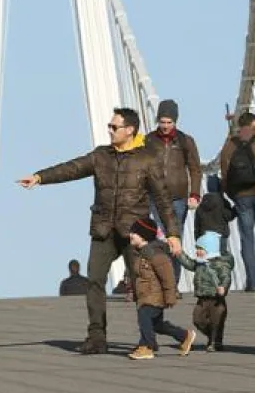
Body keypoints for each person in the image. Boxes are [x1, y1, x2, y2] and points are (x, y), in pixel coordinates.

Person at [17, 107, 182, 355]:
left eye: (114, 127)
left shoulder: (146, 160)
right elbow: (71, 168)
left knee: (141, 285)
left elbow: (163, 199)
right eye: (109, 126)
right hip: (103, 228)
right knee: (94, 281)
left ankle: (146, 339)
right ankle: (96, 337)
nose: (110, 130)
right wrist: (40, 177)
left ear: (130, 130)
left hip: (133, 232)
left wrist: (173, 234)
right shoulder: (100, 156)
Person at [144, 99, 202, 292]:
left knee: (174, 240)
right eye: (162, 121)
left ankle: (172, 285)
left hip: (178, 198)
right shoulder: (148, 141)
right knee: (159, 239)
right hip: (155, 197)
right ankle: (162, 282)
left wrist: (194, 194)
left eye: (169, 122)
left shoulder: (186, 141)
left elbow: (195, 169)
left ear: (175, 121)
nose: (166, 126)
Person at [219, 111, 255, 291]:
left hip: (242, 197)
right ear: (253, 124)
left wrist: (233, 194)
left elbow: (224, 175)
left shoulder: (229, 146)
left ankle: (253, 283)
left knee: (247, 239)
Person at [127, 218, 196, 360]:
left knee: (144, 317)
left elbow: (168, 276)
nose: (130, 235)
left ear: (143, 235)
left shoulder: (155, 253)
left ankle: (147, 347)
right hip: (145, 295)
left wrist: (171, 296)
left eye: (134, 232)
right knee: (157, 325)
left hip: (154, 296)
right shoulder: (140, 253)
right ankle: (184, 336)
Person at [177, 231, 234, 351]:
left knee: (216, 321)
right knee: (198, 320)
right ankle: (212, 336)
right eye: (197, 248)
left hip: (216, 299)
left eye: (200, 249)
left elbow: (226, 277)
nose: (197, 251)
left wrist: (223, 287)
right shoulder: (199, 263)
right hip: (202, 298)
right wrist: (179, 254)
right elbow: (189, 263)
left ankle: (215, 341)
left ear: (210, 249)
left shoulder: (220, 264)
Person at [193, 174, 236, 255]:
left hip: (204, 239)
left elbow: (196, 227)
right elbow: (228, 216)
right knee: (221, 261)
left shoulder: (201, 206)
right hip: (220, 236)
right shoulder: (222, 202)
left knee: (209, 262)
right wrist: (235, 209)